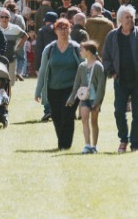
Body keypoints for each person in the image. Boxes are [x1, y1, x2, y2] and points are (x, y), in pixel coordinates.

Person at [102, 5, 138, 153]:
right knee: (119, 111)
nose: (130, 20)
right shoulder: (112, 36)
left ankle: (135, 144)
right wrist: (112, 72)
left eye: (132, 17)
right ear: (120, 19)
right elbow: (106, 57)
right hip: (120, 81)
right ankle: (123, 139)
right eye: (127, 17)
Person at [35, 18, 83, 150]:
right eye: (60, 28)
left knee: (68, 115)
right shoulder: (49, 49)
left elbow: (83, 68)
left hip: (72, 89)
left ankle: (64, 145)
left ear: (70, 29)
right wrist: (38, 91)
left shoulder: (76, 48)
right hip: (53, 89)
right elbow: (43, 70)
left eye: (66, 28)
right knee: (56, 117)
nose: (63, 31)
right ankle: (62, 141)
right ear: (55, 31)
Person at [67, 40, 106, 154]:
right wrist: (72, 97)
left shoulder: (98, 66)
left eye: (82, 50)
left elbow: (101, 87)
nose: (80, 52)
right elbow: (76, 84)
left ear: (88, 52)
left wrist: (97, 101)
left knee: (94, 121)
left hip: (95, 99)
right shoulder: (82, 66)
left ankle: (94, 145)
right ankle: (87, 144)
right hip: (84, 98)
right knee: (84, 119)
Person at [35, 12, 58, 121]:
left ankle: (48, 110)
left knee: (45, 86)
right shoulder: (60, 30)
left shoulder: (42, 31)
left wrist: (37, 66)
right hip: (59, 60)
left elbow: (38, 49)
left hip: (46, 60)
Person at [0, 9, 28, 89]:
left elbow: (25, 36)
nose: (4, 19)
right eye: (2, 17)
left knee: (10, 84)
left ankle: (7, 99)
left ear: (9, 18)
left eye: (6, 17)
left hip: (11, 60)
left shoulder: (15, 28)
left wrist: (19, 46)